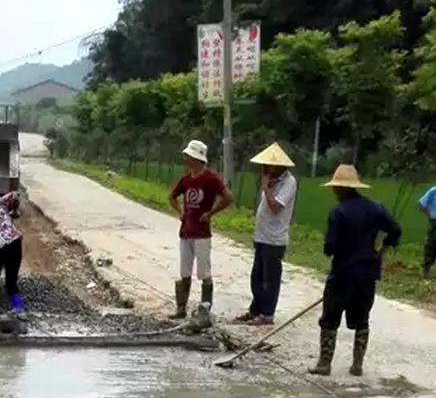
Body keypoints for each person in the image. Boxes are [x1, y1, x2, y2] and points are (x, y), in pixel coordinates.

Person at [310, 164, 401, 377]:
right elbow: (395, 229)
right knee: (362, 319)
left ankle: (324, 364)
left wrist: (330, 248)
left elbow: (330, 247)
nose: (333, 190)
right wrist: (383, 248)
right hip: (367, 273)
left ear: (341, 188)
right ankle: (357, 365)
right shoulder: (376, 208)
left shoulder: (338, 212)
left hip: (342, 274)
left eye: (335, 187)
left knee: (330, 318)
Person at [168, 139, 233, 319]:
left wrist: (211, 213)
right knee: (185, 271)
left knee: (204, 272)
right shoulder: (186, 178)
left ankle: (205, 310)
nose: (186, 160)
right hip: (186, 230)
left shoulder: (211, 178)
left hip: (202, 233)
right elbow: (172, 196)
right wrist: (180, 212)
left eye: (188, 157)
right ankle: (181, 308)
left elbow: (228, 197)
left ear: (196, 159)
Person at [234, 143, 297, 326]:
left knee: (270, 278)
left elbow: (276, 206)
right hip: (261, 236)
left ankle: (267, 314)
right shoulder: (271, 181)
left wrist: (266, 188)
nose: (264, 169)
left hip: (275, 238)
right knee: (257, 276)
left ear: (278, 166)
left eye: (268, 166)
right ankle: (256, 309)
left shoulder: (288, 182)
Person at [417, 184, 436, 279]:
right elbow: (421, 204)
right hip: (435, 222)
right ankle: (426, 270)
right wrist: (429, 215)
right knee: (431, 245)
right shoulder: (433, 191)